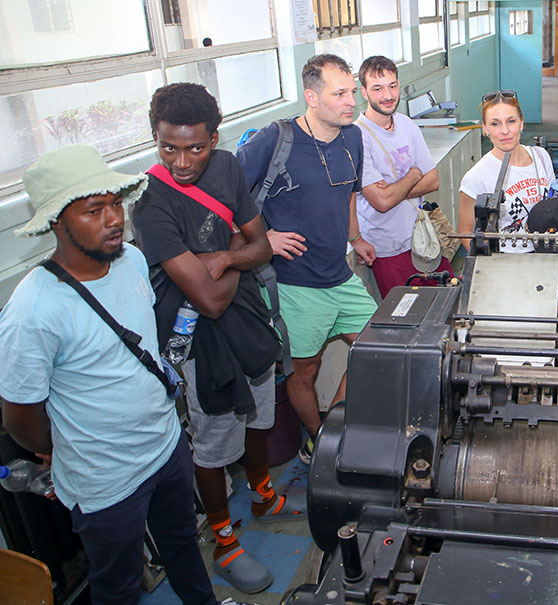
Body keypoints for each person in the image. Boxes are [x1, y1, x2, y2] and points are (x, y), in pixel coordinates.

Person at [0, 145, 216, 604]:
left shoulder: (132, 261)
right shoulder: (34, 309)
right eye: (94, 210)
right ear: (57, 222)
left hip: (166, 448)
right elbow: (20, 416)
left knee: (184, 546)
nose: (114, 219)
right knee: (118, 586)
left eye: (116, 204)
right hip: (105, 482)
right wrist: (64, 448)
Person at [132, 83, 304, 594]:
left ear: (214, 137)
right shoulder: (150, 203)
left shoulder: (227, 167)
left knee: (258, 416)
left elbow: (261, 246)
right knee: (212, 442)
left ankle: (264, 496)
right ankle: (226, 543)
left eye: (195, 148)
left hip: (247, 320)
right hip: (198, 339)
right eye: (168, 148)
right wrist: (237, 252)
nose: (182, 161)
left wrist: (226, 255)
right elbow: (208, 302)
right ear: (156, 139)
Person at [237, 54, 378, 464]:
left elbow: (348, 194)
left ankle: (336, 425)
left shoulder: (353, 137)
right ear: (312, 97)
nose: (351, 101)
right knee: (305, 370)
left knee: (380, 350)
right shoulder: (275, 140)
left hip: (341, 275)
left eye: (352, 92)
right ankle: (317, 440)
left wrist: (355, 237)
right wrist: (263, 238)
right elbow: (230, 195)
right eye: (340, 94)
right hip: (295, 285)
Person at [355, 55, 452, 296]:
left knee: (447, 295)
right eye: (377, 88)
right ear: (364, 92)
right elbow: (382, 202)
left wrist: (392, 190)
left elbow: (433, 180)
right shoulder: (357, 136)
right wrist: (414, 174)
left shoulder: (406, 124)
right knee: (406, 309)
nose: (388, 95)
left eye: (392, 86)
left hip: (422, 235)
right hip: (388, 246)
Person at [457, 89, 556, 253]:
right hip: (505, 259)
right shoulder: (475, 178)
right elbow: (465, 232)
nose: (504, 131)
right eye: (495, 124)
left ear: (522, 123)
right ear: (485, 128)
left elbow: (554, 204)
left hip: (546, 252)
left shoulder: (541, 157)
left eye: (511, 121)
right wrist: (490, 264)